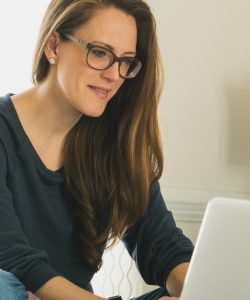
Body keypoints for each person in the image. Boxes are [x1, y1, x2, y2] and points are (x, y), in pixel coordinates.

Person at [0, 0, 194, 299]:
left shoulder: (115, 144)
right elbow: (11, 255)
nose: (115, 75)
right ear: (53, 46)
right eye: (100, 53)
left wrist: (201, 289)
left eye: (126, 61)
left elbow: (162, 243)